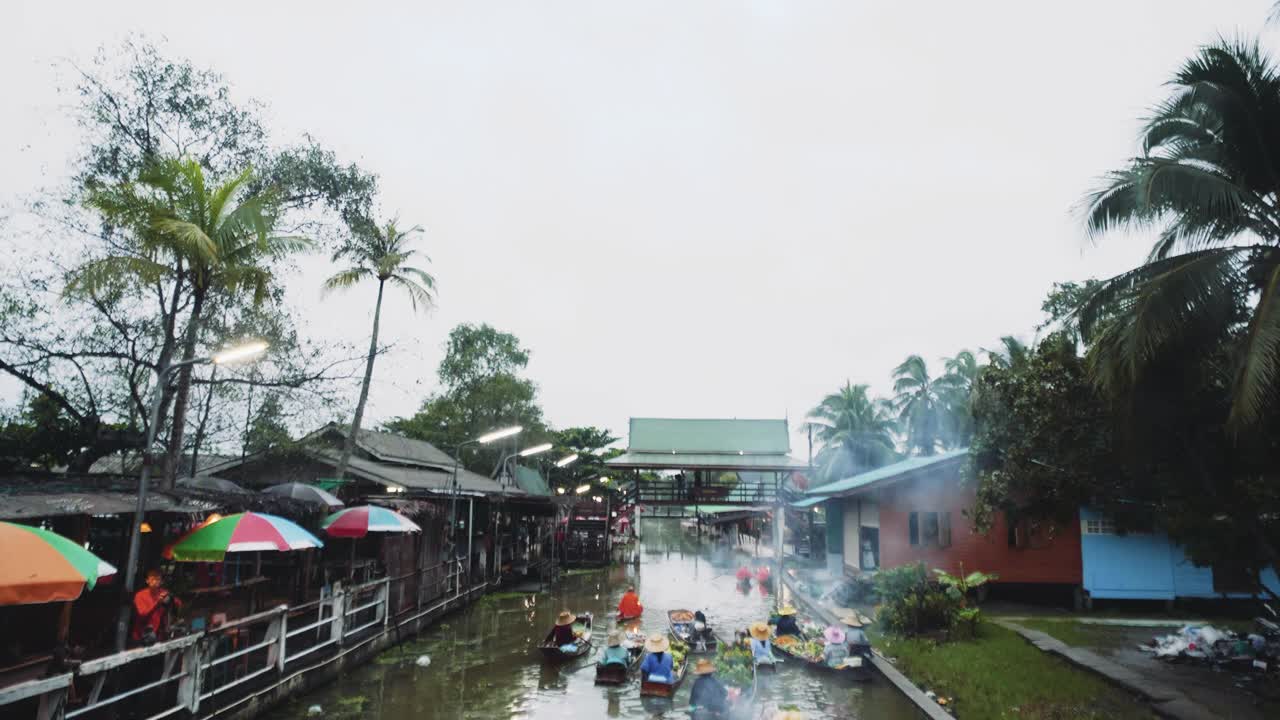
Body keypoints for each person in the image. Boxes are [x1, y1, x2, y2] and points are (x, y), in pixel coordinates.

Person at [131, 569, 180, 645]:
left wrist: (171, 600)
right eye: (153, 579)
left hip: (160, 636)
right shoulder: (140, 595)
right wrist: (157, 603)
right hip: (143, 636)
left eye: (158, 579)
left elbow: (177, 605)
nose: (156, 581)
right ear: (147, 581)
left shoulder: (164, 592)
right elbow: (143, 615)